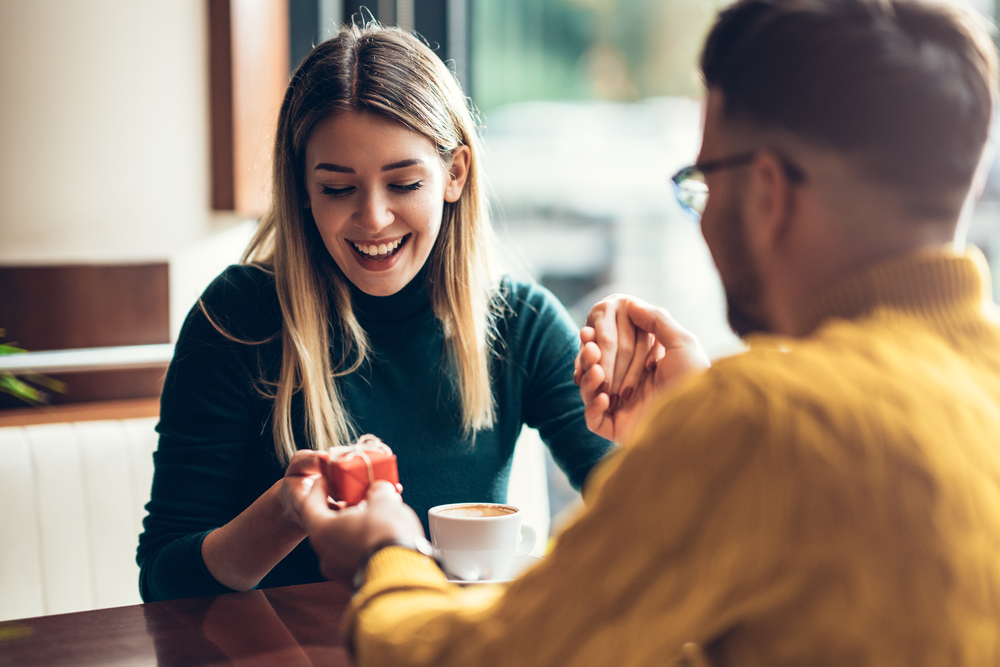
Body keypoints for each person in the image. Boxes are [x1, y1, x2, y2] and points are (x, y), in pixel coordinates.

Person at [300, 0, 1000, 664]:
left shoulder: (766, 416)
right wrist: (680, 431)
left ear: (767, 192)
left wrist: (384, 553)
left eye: (700, 179)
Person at [136, 23, 614, 603]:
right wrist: (287, 510)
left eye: (404, 183)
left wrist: (646, 424)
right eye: (338, 189)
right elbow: (163, 578)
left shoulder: (521, 323)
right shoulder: (238, 318)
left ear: (453, 174)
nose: (373, 219)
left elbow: (653, 520)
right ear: (302, 190)